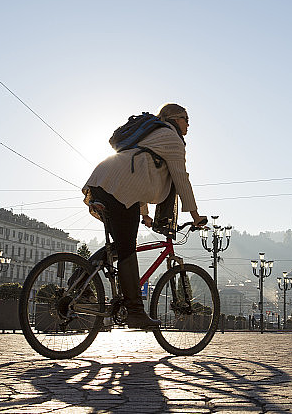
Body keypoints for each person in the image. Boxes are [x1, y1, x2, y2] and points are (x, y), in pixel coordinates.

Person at [82, 103, 206, 329]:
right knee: (127, 247)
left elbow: (142, 172)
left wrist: (145, 214)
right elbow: (181, 178)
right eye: (186, 119)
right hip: (117, 187)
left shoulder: (154, 134)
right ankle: (135, 312)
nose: (188, 124)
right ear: (176, 118)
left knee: (120, 246)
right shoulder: (171, 138)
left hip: (105, 181)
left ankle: (79, 283)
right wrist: (196, 215)